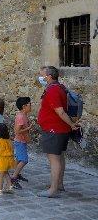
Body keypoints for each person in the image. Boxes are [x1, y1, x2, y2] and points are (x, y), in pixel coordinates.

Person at [37, 66, 79, 198]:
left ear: (49, 76)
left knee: (54, 159)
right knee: (59, 157)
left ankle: (53, 189)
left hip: (54, 129)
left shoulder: (53, 90)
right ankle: (58, 184)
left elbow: (60, 111)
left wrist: (72, 124)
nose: (40, 78)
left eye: (42, 75)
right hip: (58, 129)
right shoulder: (58, 87)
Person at [11, 97, 32, 189]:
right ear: (24, 106)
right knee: (24, 160)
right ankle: (13, 178)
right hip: (20, 141)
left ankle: (16, 174)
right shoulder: (21, 117)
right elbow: (17, 131)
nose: (31, 106)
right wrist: (28, 128)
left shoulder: (23, 115)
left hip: (21, 141)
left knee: (19, 159)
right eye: (29, 104)